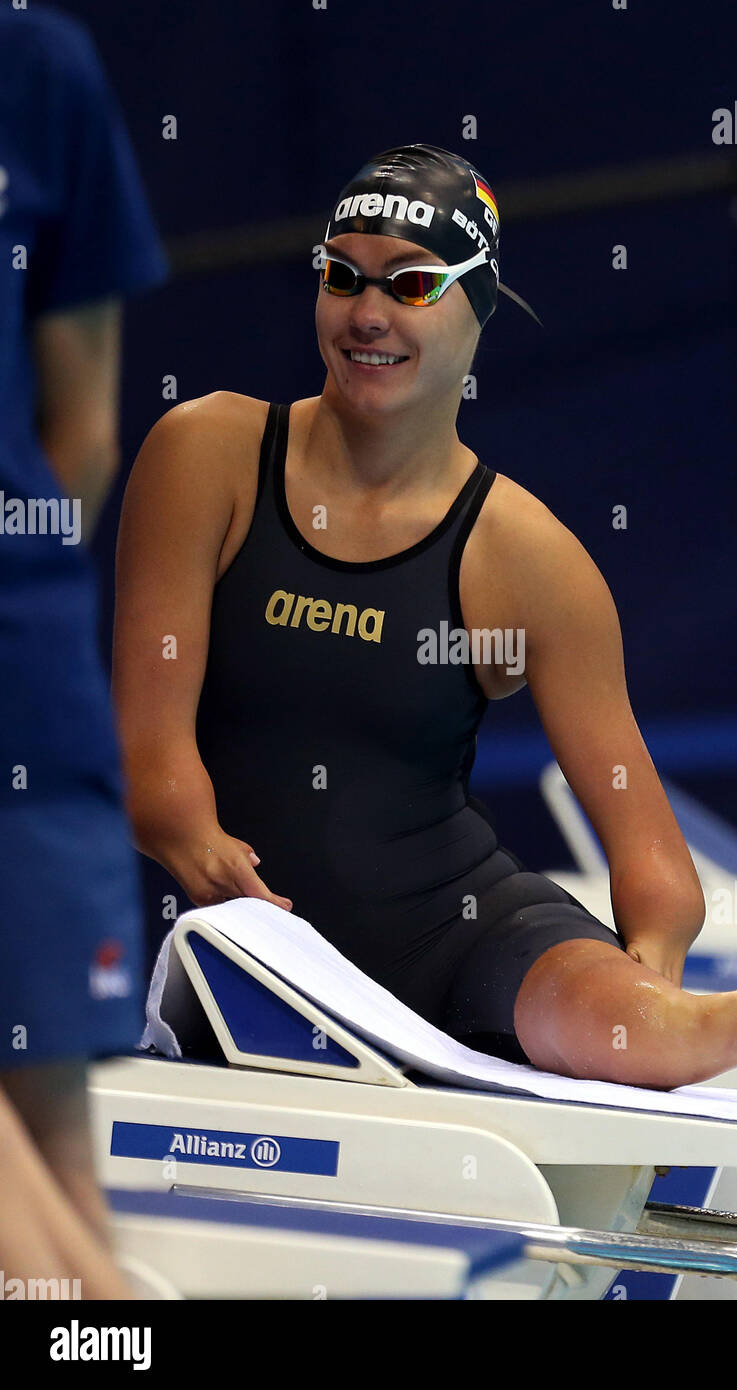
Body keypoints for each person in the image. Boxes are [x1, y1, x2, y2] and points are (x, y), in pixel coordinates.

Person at [114, 143, 737, 1091]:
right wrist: (210, 866)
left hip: (458, 941)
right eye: (342, 277)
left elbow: (652, 857)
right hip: (249, 943)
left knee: (587, 995)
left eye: (409, 284)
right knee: (256, 964)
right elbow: (146, 758)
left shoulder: (522, 558)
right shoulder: (208, 456)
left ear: (475, 307)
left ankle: (672, 1027)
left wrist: (646, 999)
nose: (367, 314)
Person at [0, 7, 167, 1296]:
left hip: (21, 671)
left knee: (49, 1162)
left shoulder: (35, 65)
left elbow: (84, 434)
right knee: (51, 1175)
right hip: (26, 647)